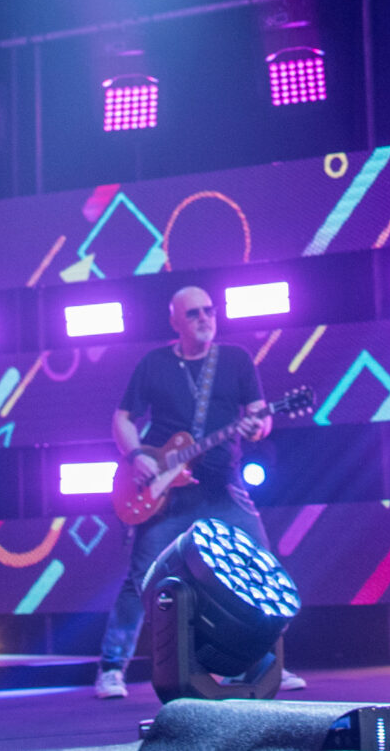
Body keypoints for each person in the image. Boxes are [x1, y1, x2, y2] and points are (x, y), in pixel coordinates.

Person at [95, 286, 297, 699]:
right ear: (175, 321)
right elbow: (122, 418)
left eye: (209, 310)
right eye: (194, 313)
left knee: (261, 570)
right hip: (167, 493)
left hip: (223, 485)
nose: (205, 318)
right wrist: (136, 456)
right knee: (141, 579)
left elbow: (259, 417)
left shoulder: (236, 358)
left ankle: (269, 665)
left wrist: (259, 424)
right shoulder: (154, 363)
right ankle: (112, 667)